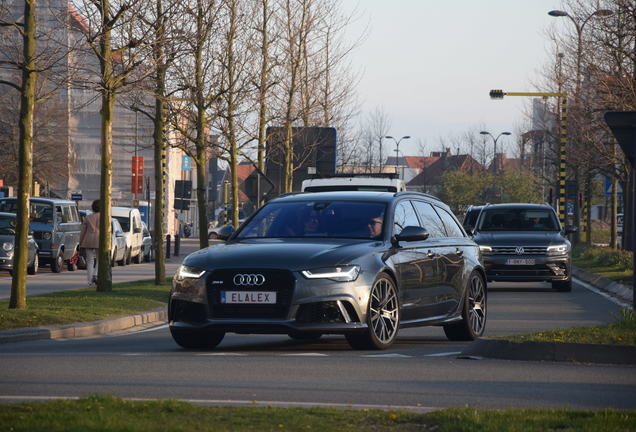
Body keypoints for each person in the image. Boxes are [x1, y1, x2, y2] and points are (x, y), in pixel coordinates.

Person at [80, 200, 100, 287]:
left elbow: (83, 232)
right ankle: (95, 274)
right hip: (100, 241)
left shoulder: (88, 218)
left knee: (90, 261)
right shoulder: (105, 217)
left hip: (88, 241)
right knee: (100, 260)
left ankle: (89, 281)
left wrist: (81, 242)